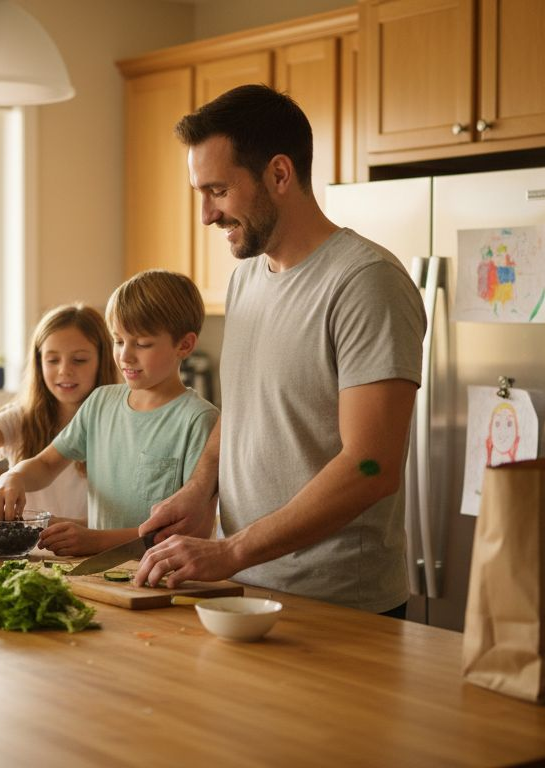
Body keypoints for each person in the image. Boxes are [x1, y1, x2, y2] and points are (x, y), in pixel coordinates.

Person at [133, 85, 426, 616]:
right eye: (199, 193)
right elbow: (243, 411)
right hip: (244, 590)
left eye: (218, 190)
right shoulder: (248, 277)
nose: (205, 215)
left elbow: (371, 465)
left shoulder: (365, 282)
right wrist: (202, 489)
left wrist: (231, 549)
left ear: (279, 175)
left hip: (340, 606)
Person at [0, 270, 219, 557]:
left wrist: (97, 541)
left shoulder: (199, 420)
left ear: (184, 345)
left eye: (142, 343)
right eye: (118, 341)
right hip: (97, 577)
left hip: (160, 580)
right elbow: (46, 465)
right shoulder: (100, 403)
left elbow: (193, 532)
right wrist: (14, 477)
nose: (125, 355)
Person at [0, 303, 119, 523]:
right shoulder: (21, 418)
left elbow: (116, 523)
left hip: (91, 550)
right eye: (52, 360)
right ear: (39, 362)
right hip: (28, 552)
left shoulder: (116, 423)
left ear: (102, 360)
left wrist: (57, 525)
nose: (64, 370)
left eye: (79, 360)